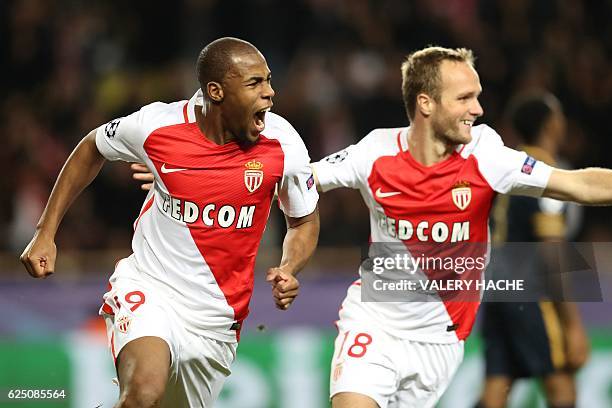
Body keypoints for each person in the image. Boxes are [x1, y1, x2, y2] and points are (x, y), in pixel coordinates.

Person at [20, 37, 320, 408]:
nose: (270, 93)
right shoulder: (157, 126)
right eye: (255, 83)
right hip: (151, 287)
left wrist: (291, 267)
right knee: (142, 394)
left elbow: (303, 220)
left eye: (269, 80)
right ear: (216, 91)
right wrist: (45, 232)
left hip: (216, 320)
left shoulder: (283, 144)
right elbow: (91, 147)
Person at [310, 46, 612, 408]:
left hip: (442, 338)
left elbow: (579, 185)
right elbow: (302, 178)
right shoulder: (374, 151)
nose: (478, 109)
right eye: (465, 98)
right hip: (374, 321)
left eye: (478, 97)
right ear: (426, 103)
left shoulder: (487, 154)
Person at [478, 93, 589, 408]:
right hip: (530, 293)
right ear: (553, 125)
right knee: (561, 385)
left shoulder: (502, 172)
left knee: (495, 390)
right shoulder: (546, 175)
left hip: (497, 289)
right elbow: (552, 252)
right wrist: (574, 325)